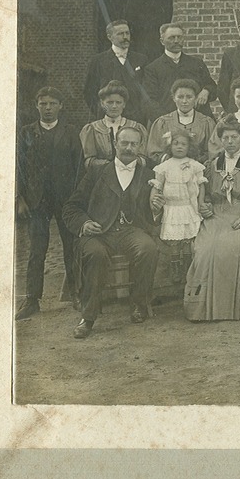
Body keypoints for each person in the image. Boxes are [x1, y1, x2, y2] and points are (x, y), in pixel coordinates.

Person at [63, 124, 162, 339]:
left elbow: (153, 216)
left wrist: (156, 210)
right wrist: (84, 223)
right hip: (100, 232)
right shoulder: (97, 171)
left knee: (148, 248)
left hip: (130, 230)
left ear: (140, 147)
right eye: (124, 143)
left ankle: (139, 304)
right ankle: (87, 317)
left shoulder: (149, 174)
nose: (128, 148)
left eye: (133, 144)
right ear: (114, 144)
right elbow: (71, 207)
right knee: (95, 254)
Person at [183, 118, 240, 321]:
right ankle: (203, 311)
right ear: (220, 140)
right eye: (225, 137)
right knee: (205, 250)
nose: (230, 141)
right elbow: (205, 195)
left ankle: (239, 309)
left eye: (234, 137)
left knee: (238, 250)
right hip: (217, 215)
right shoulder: (212, 165)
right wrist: (205, 206)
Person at [15, 86, 81, 319]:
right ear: (37, 106)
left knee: (71, 247)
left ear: (60, 106)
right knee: (36, 250)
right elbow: (19, 168)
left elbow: (78, 168)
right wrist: (19, 198)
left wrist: (76, 200)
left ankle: (76, 293)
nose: (48, 108)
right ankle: (32, 299)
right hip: (37, 200)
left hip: (65, 199)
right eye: (43, 103)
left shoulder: (71, 132)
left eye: (53, 103)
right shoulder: (27, 132)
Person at [151, 130, 205, 285]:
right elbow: (158, 187)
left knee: (188, 240)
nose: (179, 147)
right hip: (172, 208)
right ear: (170, 146)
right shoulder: (164, 166)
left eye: (183, 144)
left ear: (189, 147)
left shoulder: (194, 165)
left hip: (188, 207)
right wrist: (156, 202)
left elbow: (201, 187)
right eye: (175, 143)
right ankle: (175, 269)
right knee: (175, 241)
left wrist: (200, 204)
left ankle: (187, 268)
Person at [83, 19, 154, 122]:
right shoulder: (98, 61)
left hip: (136, 119)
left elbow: (147, 90)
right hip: (107, 118)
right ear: (109, 37)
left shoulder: (141, 59)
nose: (125, 37)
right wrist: (101, 111)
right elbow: (89, 92)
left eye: (127, 33)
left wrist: (142, 113)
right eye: (120, 34)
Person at [140, 23, 217, 118]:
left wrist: (206, 91)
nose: (176, 41)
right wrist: (165, 120)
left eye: (179, 37)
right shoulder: (153, 68)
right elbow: (149, 100)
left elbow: (212, 87)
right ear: (162, 41)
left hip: (198, 119)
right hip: (168, 119)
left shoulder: (196, 63)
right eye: (171, 38)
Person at [79, 82, 148, 172]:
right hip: (102, 176)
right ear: (102, 103)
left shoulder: (136, 128)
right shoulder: (92, 129)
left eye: (118, 102)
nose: (114, 106)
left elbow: (143, 159)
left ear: (124, 104)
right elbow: (88, 162)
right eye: (110, 102)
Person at [146, 78, 215, 164]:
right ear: (174, 98)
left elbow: (212, 152)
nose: (184, 101)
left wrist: (194, 162)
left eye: (189, 97)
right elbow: (153, 153)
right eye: (180, 97)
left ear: (196, 98)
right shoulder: (162, 122)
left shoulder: (206, 123)